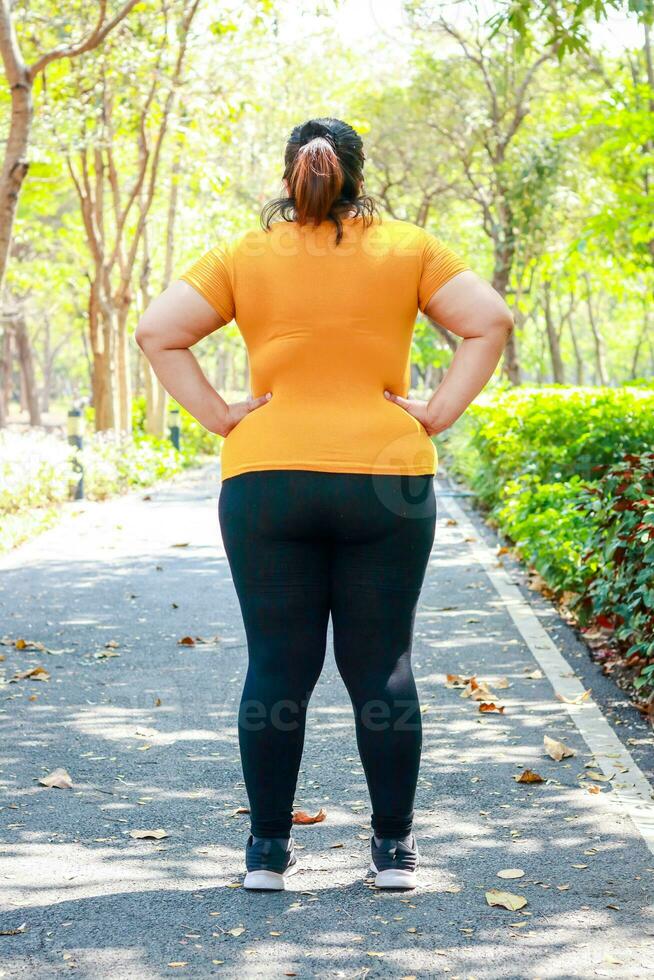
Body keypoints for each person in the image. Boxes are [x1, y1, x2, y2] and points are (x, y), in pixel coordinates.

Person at [135, 117, 513, 891]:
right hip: (387, 477)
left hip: (266, 477)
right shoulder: (411, 246)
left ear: (289, 180)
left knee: (278, 665)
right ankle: (394, 852)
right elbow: (490, 321)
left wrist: (220, 415)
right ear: (359, 180)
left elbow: (157, 332)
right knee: (382, 667)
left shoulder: (242, 253)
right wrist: (436, 412)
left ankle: (268, 854)